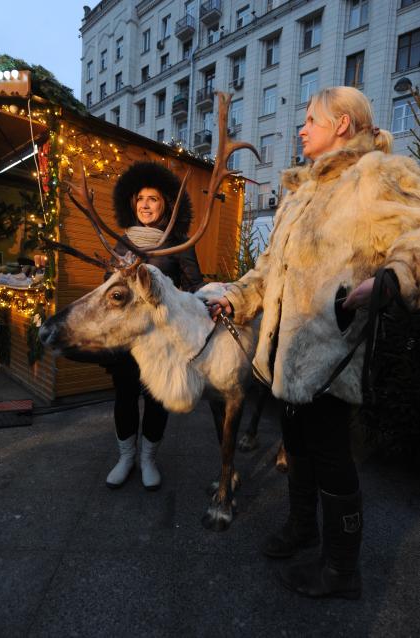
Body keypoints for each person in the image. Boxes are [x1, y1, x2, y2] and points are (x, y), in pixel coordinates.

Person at [208, 86, 420, 599]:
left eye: (310, 119)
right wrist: (236, 297)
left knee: (331, 455)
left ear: (342, 124)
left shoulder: (378, 175)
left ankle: (341, 570)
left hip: (331, 351)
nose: (301, 128)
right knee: (298, 446)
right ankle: (303, 530)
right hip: (287, 353)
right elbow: (268, 269)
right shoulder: (301, 193)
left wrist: (393, 279)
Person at [105, 161, 203, 491]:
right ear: (134, 204)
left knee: (158, 399)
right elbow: (108, 287)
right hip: (127, 338)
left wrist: (164, 298)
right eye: (141, 199)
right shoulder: (123, 241)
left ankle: (148, 459)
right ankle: (126, 458)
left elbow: (195, 288)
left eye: (154, 199)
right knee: (125, 396)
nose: (146, 205)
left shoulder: (178, 242)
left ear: (165, 205)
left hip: (162, 337)